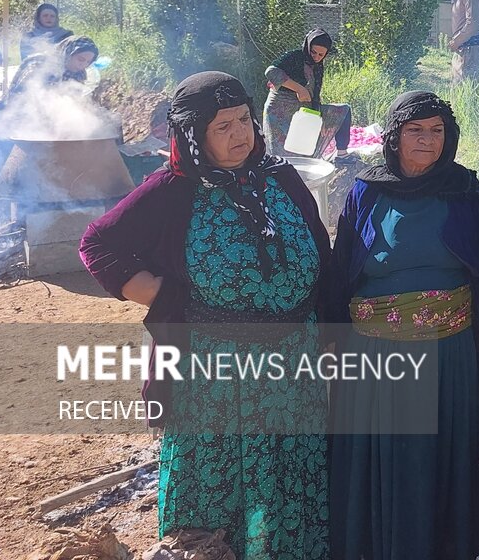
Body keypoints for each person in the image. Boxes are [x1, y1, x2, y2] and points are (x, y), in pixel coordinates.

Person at [79, 72, 332, 560]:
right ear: (194, 134)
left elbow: (321, 251)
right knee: (222, 481)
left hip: (293, 364)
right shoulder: (174, 189)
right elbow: (98, 243)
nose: (241, 135)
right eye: (223, 127)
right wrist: (158, 295)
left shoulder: (278, 176)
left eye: (244, 120)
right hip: (216, 374)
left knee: (288, 475)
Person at [328, 91, 479, 560]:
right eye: (415, 130)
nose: (427, 140)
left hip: (449, 355)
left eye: (436, 130)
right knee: (391, 458)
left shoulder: (465, 192)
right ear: (393, 138)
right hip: (376, 354)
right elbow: (340, 269)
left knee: (440, 457)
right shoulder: (366, 191)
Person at [263, 29, 352, 157]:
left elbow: (315, 94)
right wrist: (299, 88)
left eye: (321, 55)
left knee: (344, 111)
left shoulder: (318, 66)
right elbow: (271, 72)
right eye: (313, 52)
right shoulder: (295, 57)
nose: (316, 57)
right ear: (308, 46)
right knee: (283, 156)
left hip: (303, 111)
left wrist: (319, 119)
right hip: (279, 112)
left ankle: (342, 155)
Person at [0, 34, 98, 132]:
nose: (82, 65)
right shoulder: (39, 63)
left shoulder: (79, 74)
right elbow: (23, 96)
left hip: (47, 123)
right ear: (68, 53)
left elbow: (74, 101)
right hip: (11, 117)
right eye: (80, 59)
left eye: (88, 62)